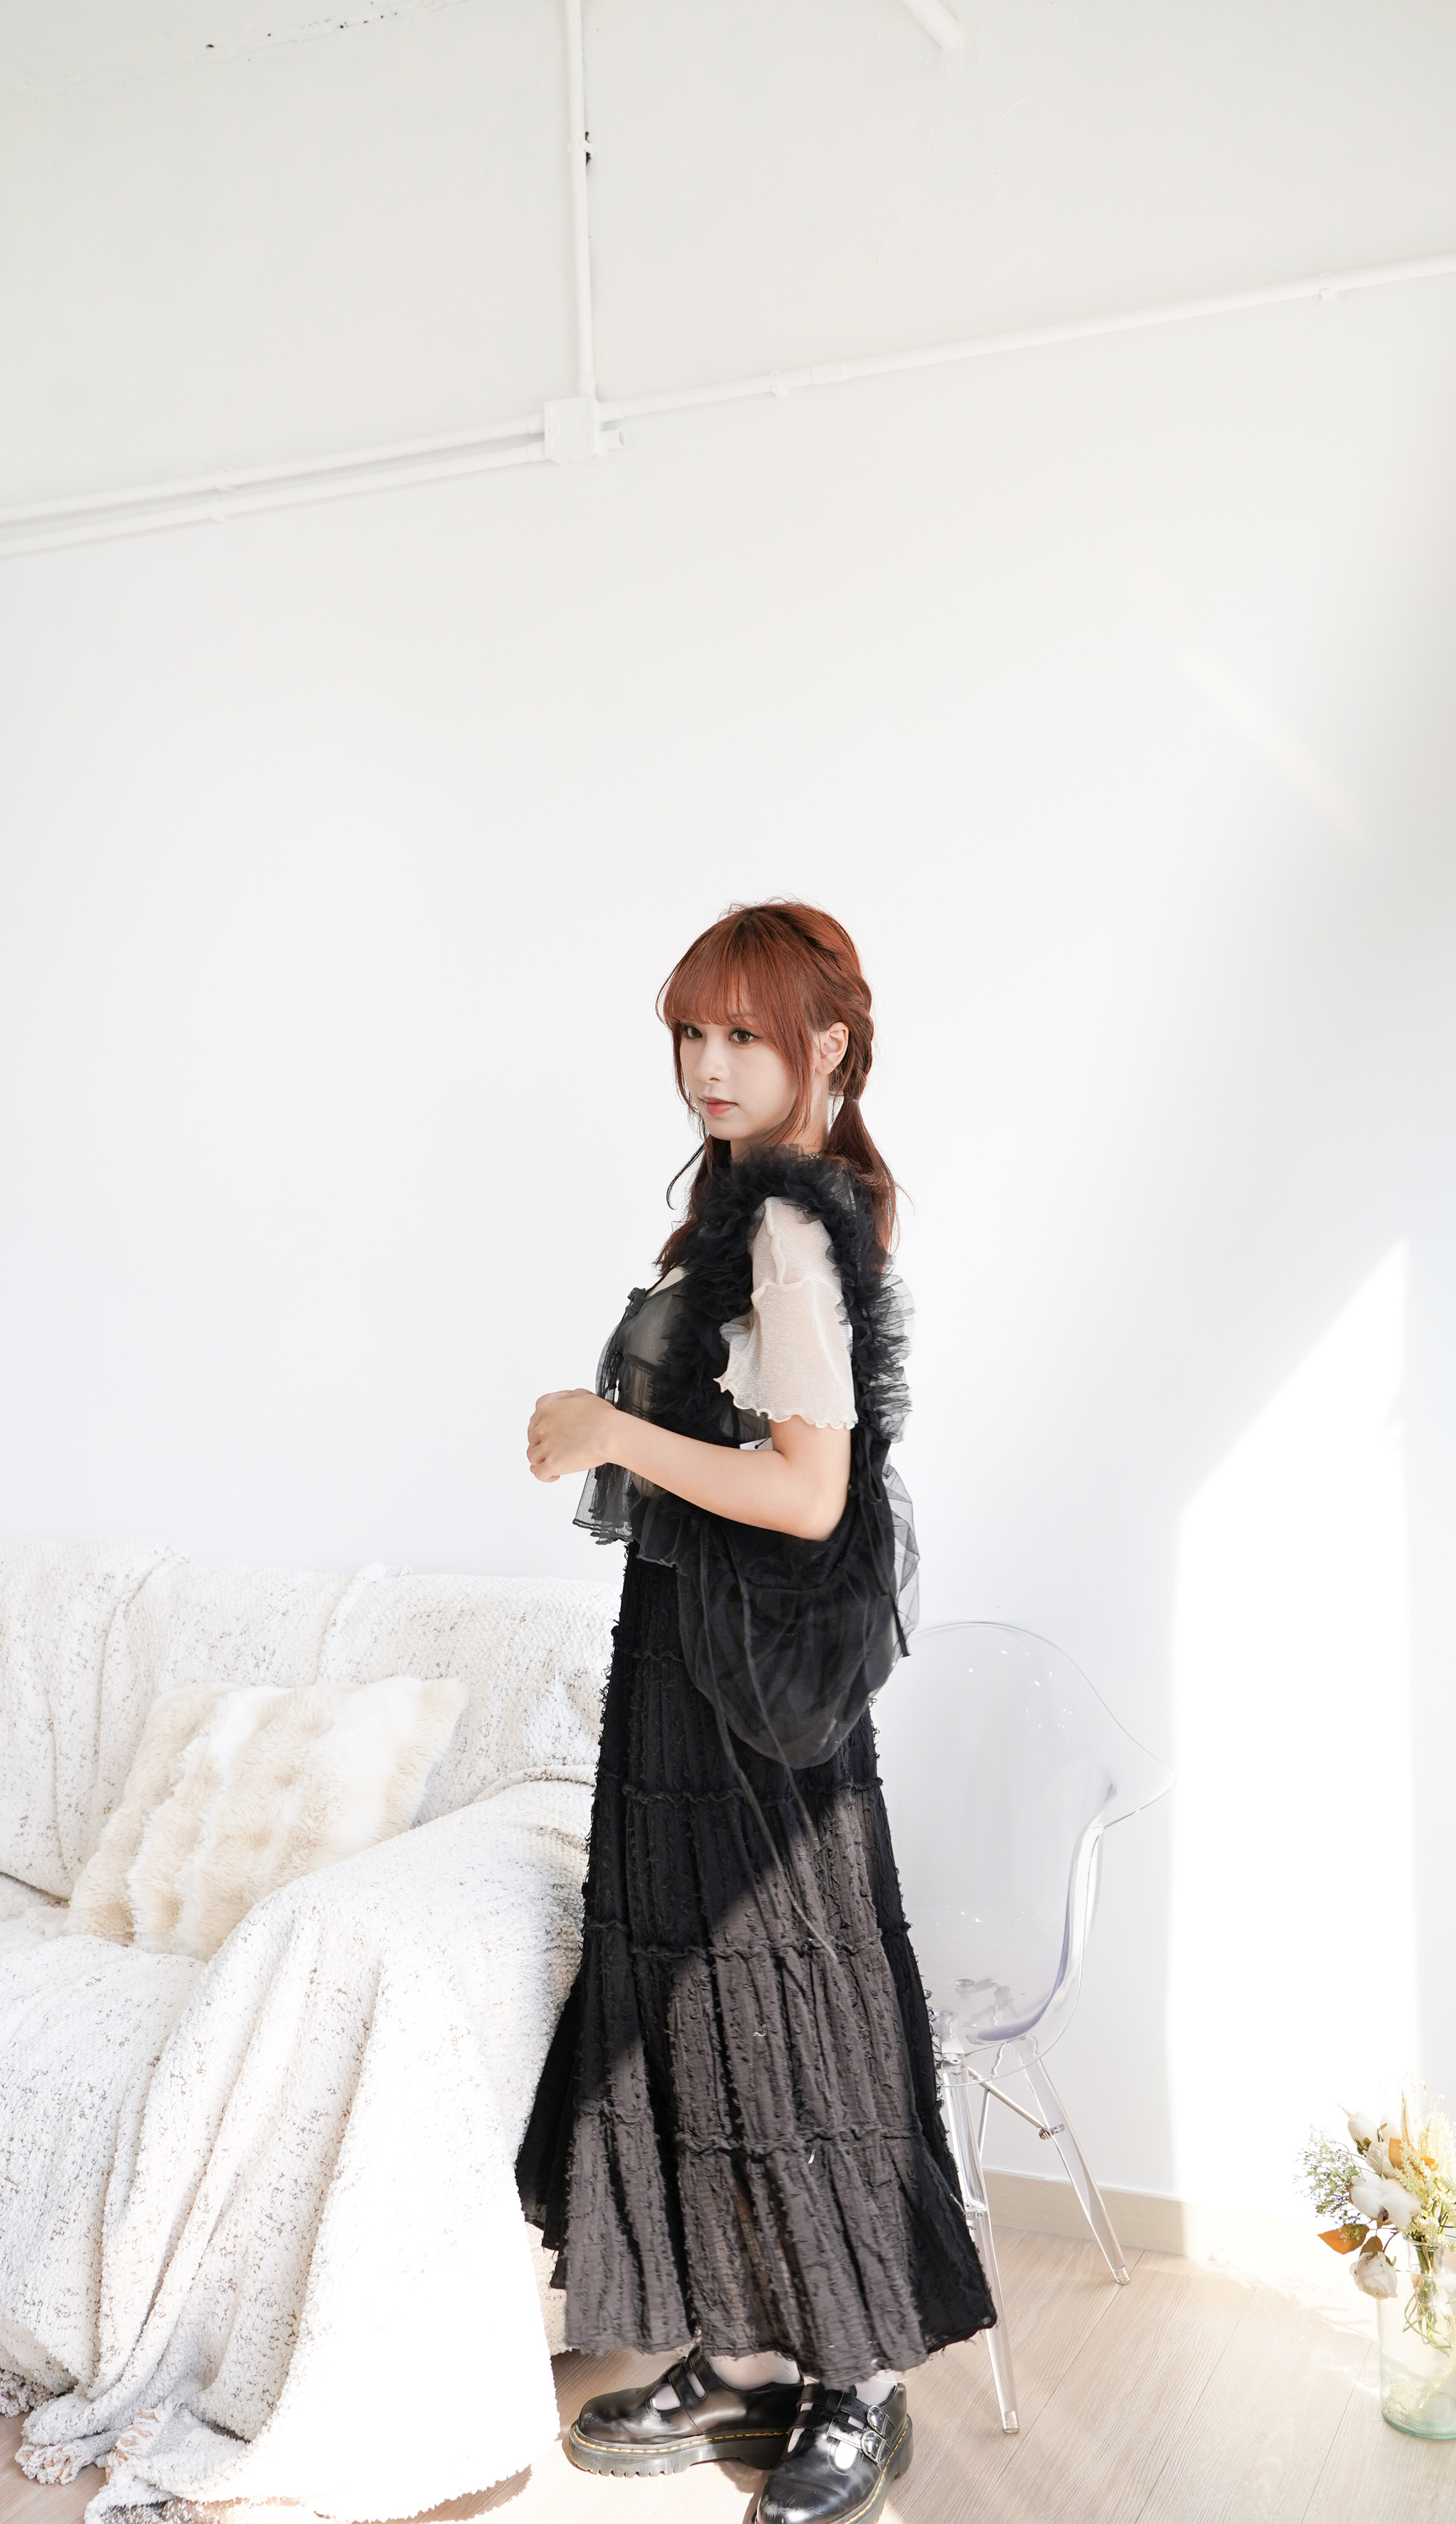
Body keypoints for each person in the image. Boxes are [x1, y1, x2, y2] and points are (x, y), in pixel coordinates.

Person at [517, 900, 994, 2524]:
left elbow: (807, 1490)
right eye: (692, 1034)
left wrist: (607, 1430)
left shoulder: (791, 1218)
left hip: (748, 1690)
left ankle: (855, 2380)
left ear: (827, 1047)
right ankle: (734, 2355)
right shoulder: (746, 1204)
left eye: (745, 1035)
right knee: (700, 2005)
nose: (708, 1067)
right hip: (698, 1661)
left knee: (797, 2005)